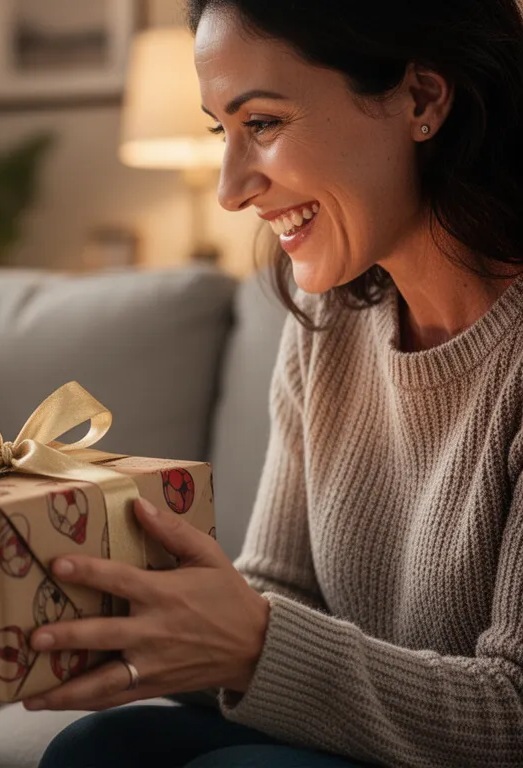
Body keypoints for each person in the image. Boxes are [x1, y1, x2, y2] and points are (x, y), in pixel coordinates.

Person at [32, 0, 523, 766]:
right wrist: (116, 615)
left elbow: (514, 712)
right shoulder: (329, 324)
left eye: (261, 123)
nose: (231, 190)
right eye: (217, 130)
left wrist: (253, 642)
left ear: (422, 98)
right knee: (98, 749)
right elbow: (279, 593)